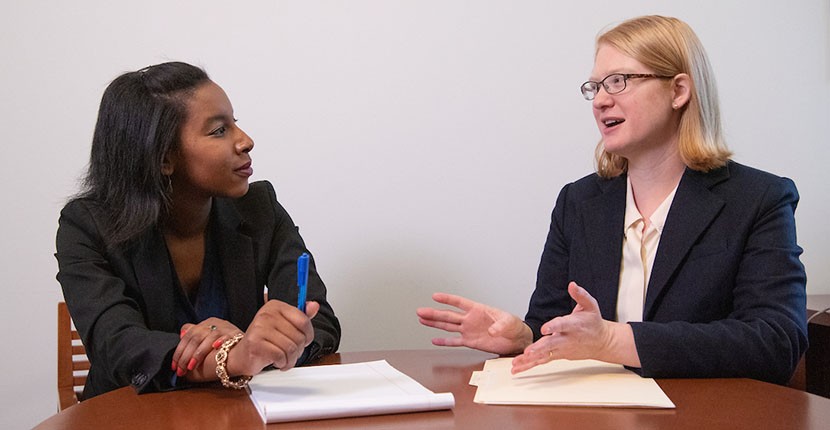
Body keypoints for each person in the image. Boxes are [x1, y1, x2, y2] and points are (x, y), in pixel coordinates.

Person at [417, 15, 807, 385]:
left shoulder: (759, 199)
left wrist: (612, 341)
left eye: (618, 81)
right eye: (595, 87)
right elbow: (554, 323)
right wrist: (523, 335)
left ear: (679, 90)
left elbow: (776, 342)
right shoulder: (578, 201)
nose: (600, 100)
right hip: (595, 414)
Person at [55, 61, 341, 399]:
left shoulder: (259, 206)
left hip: (240, 413)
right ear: (163, 158)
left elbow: (319, 322)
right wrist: (233, 354)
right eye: (219, 130)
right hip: (130, 414)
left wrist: (283, 341)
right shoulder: (86, 225)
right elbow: (117, 345)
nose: (246, 141)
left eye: (235, 124)